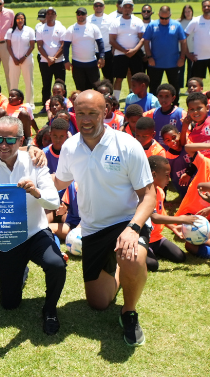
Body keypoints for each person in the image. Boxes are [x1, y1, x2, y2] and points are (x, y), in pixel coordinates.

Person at [53, 89, 158, 347]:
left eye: (93, 113)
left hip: (126, 220)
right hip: (93, 229)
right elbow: (58, 182)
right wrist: (31, 161)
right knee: (98, 303)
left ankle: (129, 312)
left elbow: (149, 196)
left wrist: (133, 228)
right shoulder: (70, 146)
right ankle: (121, 264)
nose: (86, 119)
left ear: (106, 113)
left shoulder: (127, 145)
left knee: (131, 255)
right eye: (80, 113)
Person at [0, 115, 64, 334]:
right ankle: (19, 273)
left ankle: (50, 309)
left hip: (35, 232)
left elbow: (54, 201)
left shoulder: (35, 162)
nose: (4, 145)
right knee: (9, 304)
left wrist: (35, 191)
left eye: (10, 140)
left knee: (56, 264)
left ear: (21, 141)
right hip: (6, 238)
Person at [106, 0, 146, 95]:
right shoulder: (115, 22)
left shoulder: (138, 21)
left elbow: (142, 38)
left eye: (129, 7)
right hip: (120, 54)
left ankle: (136, 98)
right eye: (125, 7)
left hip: (135, 54)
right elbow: (112, 40)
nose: (127, 9)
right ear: (121, 8)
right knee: (119, 78)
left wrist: (134, 50)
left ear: (132, 9)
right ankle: (116, 101)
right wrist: (124, 51)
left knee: (136, 78)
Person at [141, 5, 185, 93]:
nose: (164, 20)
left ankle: (175, 105)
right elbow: (146, 41)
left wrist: (182, 58)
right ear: (158, 14)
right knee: (154, 86)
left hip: (173, 62)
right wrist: (149, 57)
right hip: (155, 63)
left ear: (170, 15)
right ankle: (154, 105)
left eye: (166, 18)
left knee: (174, 86)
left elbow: (183, 42)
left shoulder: (177, 25)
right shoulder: (152, 25)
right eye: (162, 18)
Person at [64, 7, 107, 93]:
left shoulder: (93, 27)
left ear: (86, 15)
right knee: (80, 89)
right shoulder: (71, 29)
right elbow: (66, 46)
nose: (80, 16)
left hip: (92, 63)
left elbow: (100, 43)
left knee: (96, 88)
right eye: (78, 14)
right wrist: (66, 61)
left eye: (82, 14)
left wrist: (102, 56)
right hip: (77, 65)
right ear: (76, 15)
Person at [34, 7, 67, 104]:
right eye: (48, 13)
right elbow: (39, 46)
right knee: (46, 84)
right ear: (46, 16)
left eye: (52, 13)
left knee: (61, 84)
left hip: (59, 61)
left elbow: (63, 45)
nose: (50, 15)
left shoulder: (61, 28)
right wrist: (48, 58)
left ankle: (62, 104)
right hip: (45, 61)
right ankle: (46, 105)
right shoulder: (40, 29)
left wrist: (55, 57)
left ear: (56, 16)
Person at [4, 11, 36, 105]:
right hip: (13, 60)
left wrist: (24, 57)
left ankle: (30, 103)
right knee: (13, 81)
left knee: (28, 81)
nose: (20, 20)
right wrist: (14, 58)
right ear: (15, 20)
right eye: (18, 19)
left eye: (22, 19)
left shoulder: (29, 30)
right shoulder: (10, 31)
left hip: (27, 59)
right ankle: (13, 102)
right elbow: (8, 46)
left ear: (24, 20)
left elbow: (32, 46)